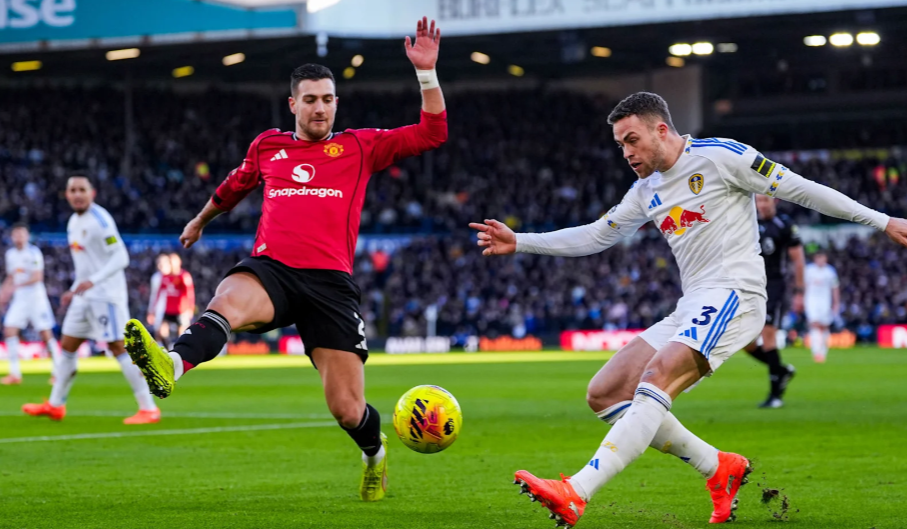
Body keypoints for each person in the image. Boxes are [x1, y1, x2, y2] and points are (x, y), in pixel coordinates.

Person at [470, 92, 907, 528]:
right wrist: (520, 240)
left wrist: (881, 220)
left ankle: (577, 491)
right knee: (606, 392)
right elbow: (597, 235)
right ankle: (718, 467)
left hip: (735, 295)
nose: (626, 153)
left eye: (632, 140)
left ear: (661, 130)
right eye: (620, 145)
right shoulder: (646, 190)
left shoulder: (721, 157)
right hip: (694, 303)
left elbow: (799, 188)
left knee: (657, 376)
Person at [123, 17, 447, 502]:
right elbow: (233, 187)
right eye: (310, 99)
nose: (320, 107)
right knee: (227, 300)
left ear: (336, 102)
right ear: (293, 104)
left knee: (347, 409)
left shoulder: (360, 146)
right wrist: (200, 220)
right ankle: (171, 364)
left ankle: (374, 454)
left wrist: (425, 72)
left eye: (328, 99)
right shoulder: (268, 146)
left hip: (330, 285)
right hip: (272, 269)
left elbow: (432, 133)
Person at [22, 176, 160, 425]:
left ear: (92, 193)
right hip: (84, 295)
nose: (77, 194)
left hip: (106, 295)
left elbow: (121, 257)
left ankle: (148, 408)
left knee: (118, 347)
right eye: (73, 190)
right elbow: (85, 264)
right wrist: (74, 288)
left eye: (82, 190)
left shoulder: (100, 220)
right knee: (68, 345)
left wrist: (93, 281)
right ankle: (55, 404)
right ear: (66, 194)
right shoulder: (73, 221)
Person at [743, 195, 804, 408]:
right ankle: (782, 371)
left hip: (775, 286)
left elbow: (798, 259)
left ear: (774, 201)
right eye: (758, 201)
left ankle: (775, 395)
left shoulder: (784, 225)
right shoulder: (749, 222)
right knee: (746, 343)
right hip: (751, 285)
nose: (762, 205)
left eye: (765, 201)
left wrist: (799, 291)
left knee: (768, 335)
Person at [0, 224, 62, 385]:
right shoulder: (11, 254)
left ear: (27, 236)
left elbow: (37, 277)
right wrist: (3, 294)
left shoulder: (33, 253)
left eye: (22, 234)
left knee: (45, 333)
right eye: (16, 235)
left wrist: (15, 287)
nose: (19, 238)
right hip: (20, 298)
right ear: (12, 237)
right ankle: (15, 373)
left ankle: (58, 372)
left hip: (36, 298)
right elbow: (11, 277)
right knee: (9, 329)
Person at [147, 253, 195, 348]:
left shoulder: (184, 276)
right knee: (161, 331)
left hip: (181, 310)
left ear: (178, 263)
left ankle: (181, 350)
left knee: (182, 333)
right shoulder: (165, 277)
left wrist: (190, 308)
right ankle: (167, 349)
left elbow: (190, 293)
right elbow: (158, 294)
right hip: (168, 309)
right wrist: (152, 311)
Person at [804, 250, 839, 363]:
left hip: (825, 301)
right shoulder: (809, 270)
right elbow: (803, 286)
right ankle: (816, 352)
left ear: (825, 258)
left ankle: (823, 352)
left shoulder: (830, 271)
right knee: (814, 325)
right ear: (815, 259)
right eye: (818, 257)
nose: (820, 260)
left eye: (822, 257)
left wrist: (836, 303)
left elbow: (835, 288)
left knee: (824, 326)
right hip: (811, 301)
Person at [146, 253, 172, 343]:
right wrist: (151, 311)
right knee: (159, 331)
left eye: (162, 262)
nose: (160, 265)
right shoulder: (156, 278)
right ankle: (164, 348)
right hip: (160, 308)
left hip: (174, 308)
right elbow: (153, 295)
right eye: (158, 263)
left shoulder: (175, 276)